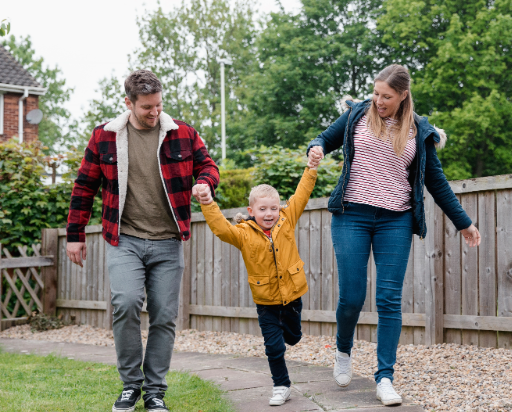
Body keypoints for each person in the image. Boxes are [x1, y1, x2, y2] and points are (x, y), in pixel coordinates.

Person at [307, 64, 481, 406]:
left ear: (403, 96)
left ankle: (385, 377)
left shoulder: (419, 131)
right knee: (352, 297)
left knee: (388, 300)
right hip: (352, 215)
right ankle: (343, 351)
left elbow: (437, 183)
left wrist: (464, 222)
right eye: (376, 93)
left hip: (395, 221)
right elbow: (324, 139)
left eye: (386, 96)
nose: (379, 100)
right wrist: (314, 148)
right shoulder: (358, 115)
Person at [65, 69, 219, 412]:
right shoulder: (104, 137)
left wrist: (206, 182)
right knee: (126, 303)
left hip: (168, 240)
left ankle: (155, 392)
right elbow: (84, 188)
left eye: (159, 105)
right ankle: (130, 385)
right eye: (147, 107)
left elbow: (208, 166)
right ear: (129, 103)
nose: (155, 113)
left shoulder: (183, 134)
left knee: (164, 315)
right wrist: (75, 236)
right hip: (125, 240)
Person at [192, 155, 321, 407]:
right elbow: (220, 228)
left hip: (293, 295)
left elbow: (302, 193)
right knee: (274, 347)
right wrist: (207, 202)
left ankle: (289, 335)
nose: (269, 213)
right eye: (262, 209)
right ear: (251, 211)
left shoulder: (287, 219)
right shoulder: (243, 234)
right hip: (266, 302)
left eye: (273, 208)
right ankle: (281, 385)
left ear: (280, 208)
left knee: (293, 338)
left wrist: (312, 167)